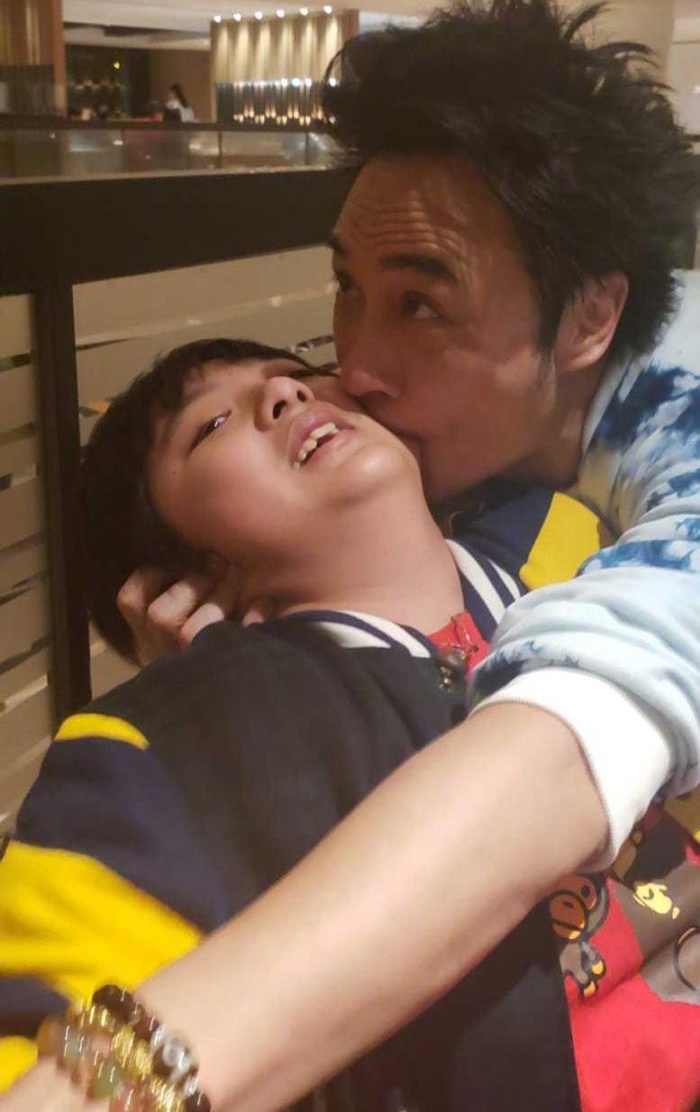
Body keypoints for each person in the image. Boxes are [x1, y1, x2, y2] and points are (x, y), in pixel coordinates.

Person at [100, 0, 699, 1109]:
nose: (354, 367)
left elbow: (572, 737)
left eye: (421, 304)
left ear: (589, 316)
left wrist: (108, 1083)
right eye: (347, 288)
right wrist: (236, 704)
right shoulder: (503, 471)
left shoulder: (683, 421)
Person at [0, 337, 617, 1109]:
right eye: (212, 425)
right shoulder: (156, 754)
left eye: (298, 374)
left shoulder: (596, 514)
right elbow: (41, 1057)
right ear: (180, 572)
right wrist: (212, 712)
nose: (286, 395)